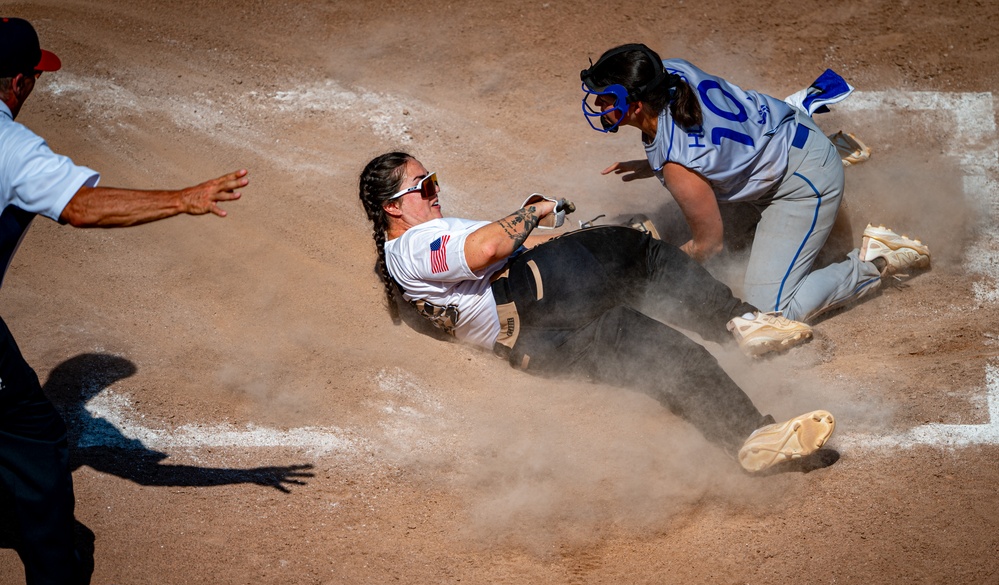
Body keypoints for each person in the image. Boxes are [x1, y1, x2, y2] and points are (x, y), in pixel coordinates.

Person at [358, 151, 838, 480]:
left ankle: (753, 440)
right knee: (641, 253)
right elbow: (487, 248)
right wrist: (535, 212)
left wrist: (549, 233)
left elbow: (487, 265)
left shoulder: (406, 263)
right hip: (538, 294)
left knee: (665, 360)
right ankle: (740, 321)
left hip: (539, 345)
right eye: (425, 185)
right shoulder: (416, 245)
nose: (435, 191)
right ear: (393, 207)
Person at [1, 17, 249, 585]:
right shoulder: (7, 145)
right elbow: (81, 207)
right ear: (21, 81)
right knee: (36, 448)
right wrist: (183, 198)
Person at [579, 43, 931, 322]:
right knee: (706, 229)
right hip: (786, 129)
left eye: (606, 97)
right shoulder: (671, 73)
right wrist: (656, 163)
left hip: (800, 183)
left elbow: (708, 246)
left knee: (769, 313)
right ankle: (829, 150)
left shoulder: (677, 163)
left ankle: (876, 261)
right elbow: (703, 141)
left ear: (636, 105)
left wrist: (655, 275)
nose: (597, 103)